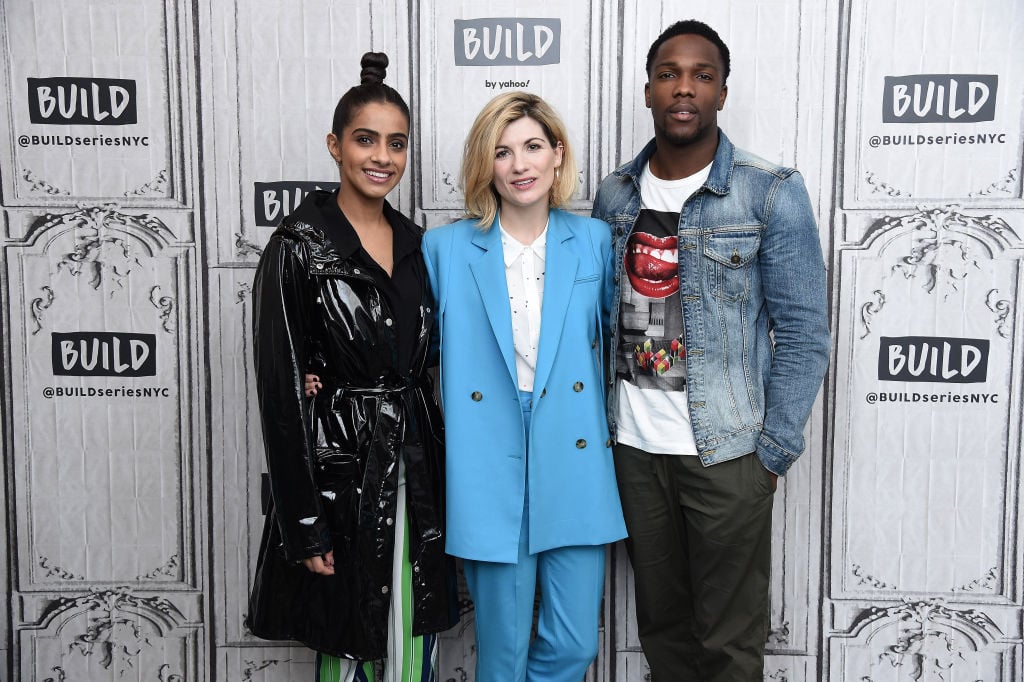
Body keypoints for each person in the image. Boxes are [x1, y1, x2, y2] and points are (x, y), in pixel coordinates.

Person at [591, 20, 830, 681]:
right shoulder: (615, 197)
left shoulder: (769, 191)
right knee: (665, 635)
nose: (684, 87)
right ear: (648, 91)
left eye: (702, 74)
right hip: (636, 452)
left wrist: (772, 453)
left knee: (728, 644)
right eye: (669, 73)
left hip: (726, 452)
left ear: (723, 91)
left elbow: (805, 333)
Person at [246, 52, 456, 682]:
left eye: (397, 143)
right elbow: (281, 397)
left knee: (414, 638)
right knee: (352, 639)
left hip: (418, 469)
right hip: (344, 475)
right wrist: (305, 526)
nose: (382, 157)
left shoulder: (421, 245)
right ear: (335, 145)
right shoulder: (299, 245)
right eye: (366, 140)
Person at [421, 91, 627, 682]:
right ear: (486, 165)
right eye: (503, 152)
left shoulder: (593, 241)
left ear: (557, 155)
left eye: (533, 146)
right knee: (503, 654)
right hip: (488, 459)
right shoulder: (445, 248)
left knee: (572, 646)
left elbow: (615, 342)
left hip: (574, 454)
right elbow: (413, 352)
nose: (520, 165)